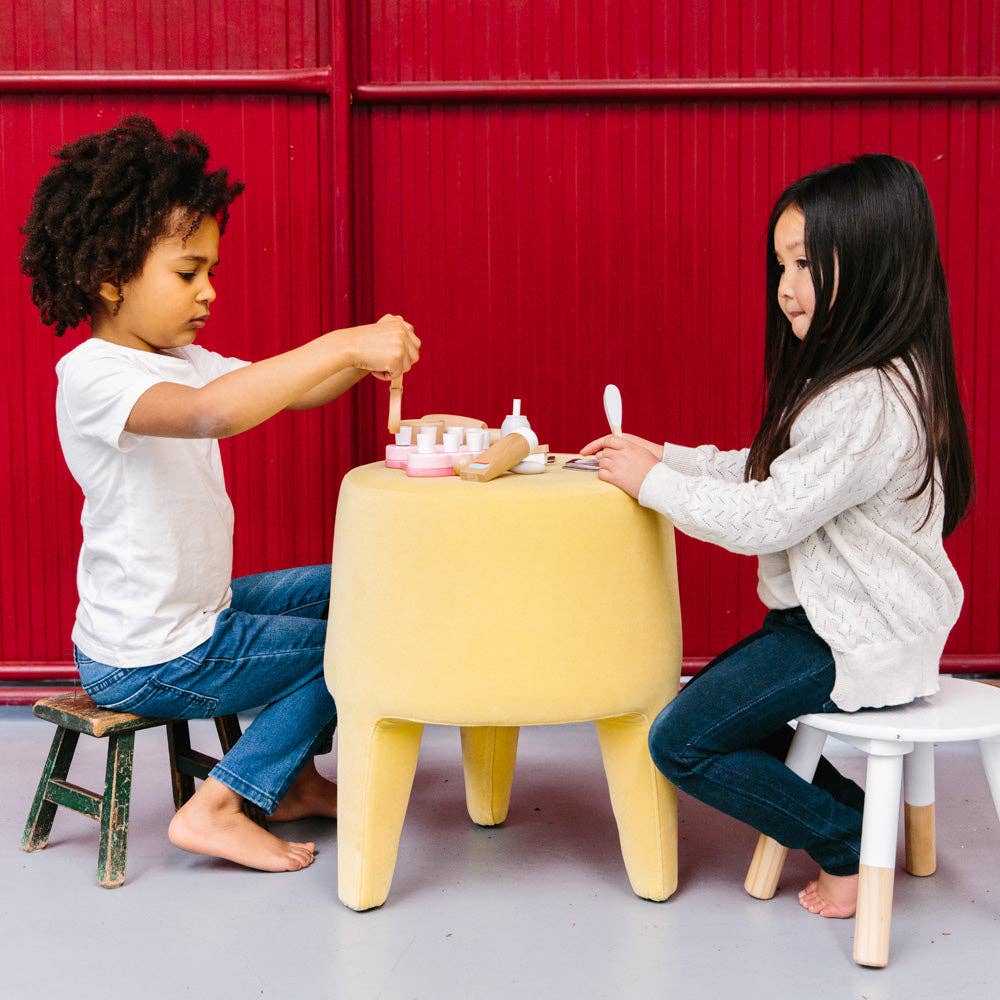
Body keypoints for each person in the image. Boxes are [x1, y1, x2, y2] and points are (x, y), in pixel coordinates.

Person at [20, 115, 420, 873]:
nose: (209, 291)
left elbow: (287, 391)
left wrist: (366, 347)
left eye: (211, 272)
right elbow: (217, 412)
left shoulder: (183, 358)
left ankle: (290, 777)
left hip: (197, 616)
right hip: (151, 653)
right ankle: (223, 802)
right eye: (187, 272)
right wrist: (341, 344)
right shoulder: (96, 377)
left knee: (369, 590)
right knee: (362, 642)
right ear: (110, 276)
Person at [580, 154, 974, 918]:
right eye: (780, 264)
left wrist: (652, 486)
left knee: (680, 741)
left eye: (804, 264)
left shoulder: (868, 399)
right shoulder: (867, 381)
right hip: (836, 619)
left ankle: (845, 839)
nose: (786, 286)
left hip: (857, 630)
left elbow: (770, 513)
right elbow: (775, 474)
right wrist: (674, 457)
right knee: (710, 714)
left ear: (870, 267)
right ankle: (854, 820)